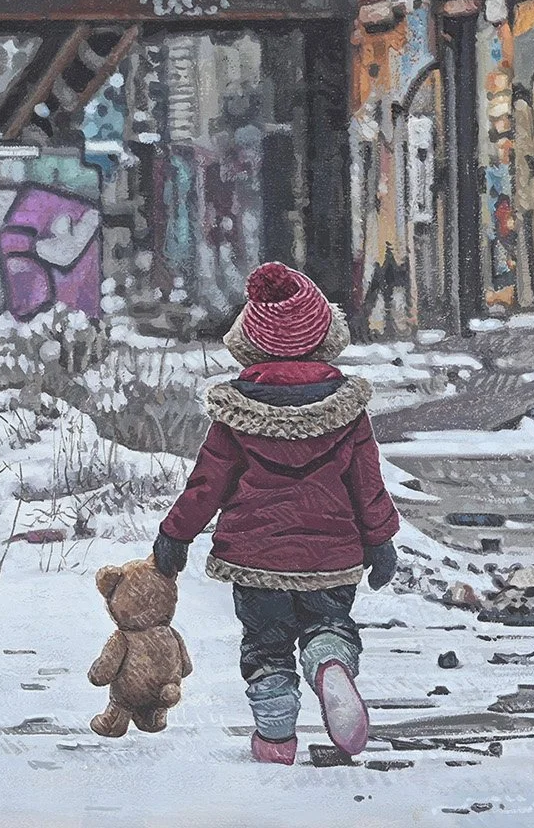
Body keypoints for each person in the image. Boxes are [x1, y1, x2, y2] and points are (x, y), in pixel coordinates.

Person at [151, 262, 401, 764]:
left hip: (257, 560)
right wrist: (379, 539)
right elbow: (367, 483)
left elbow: (208, 483)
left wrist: (175, 534)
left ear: (249, 340)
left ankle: (275, 737)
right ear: (326, 335)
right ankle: (328, 660)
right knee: (329, 623)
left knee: (266, 647)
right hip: (330, 559)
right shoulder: (347, 411)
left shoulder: (237, 414)